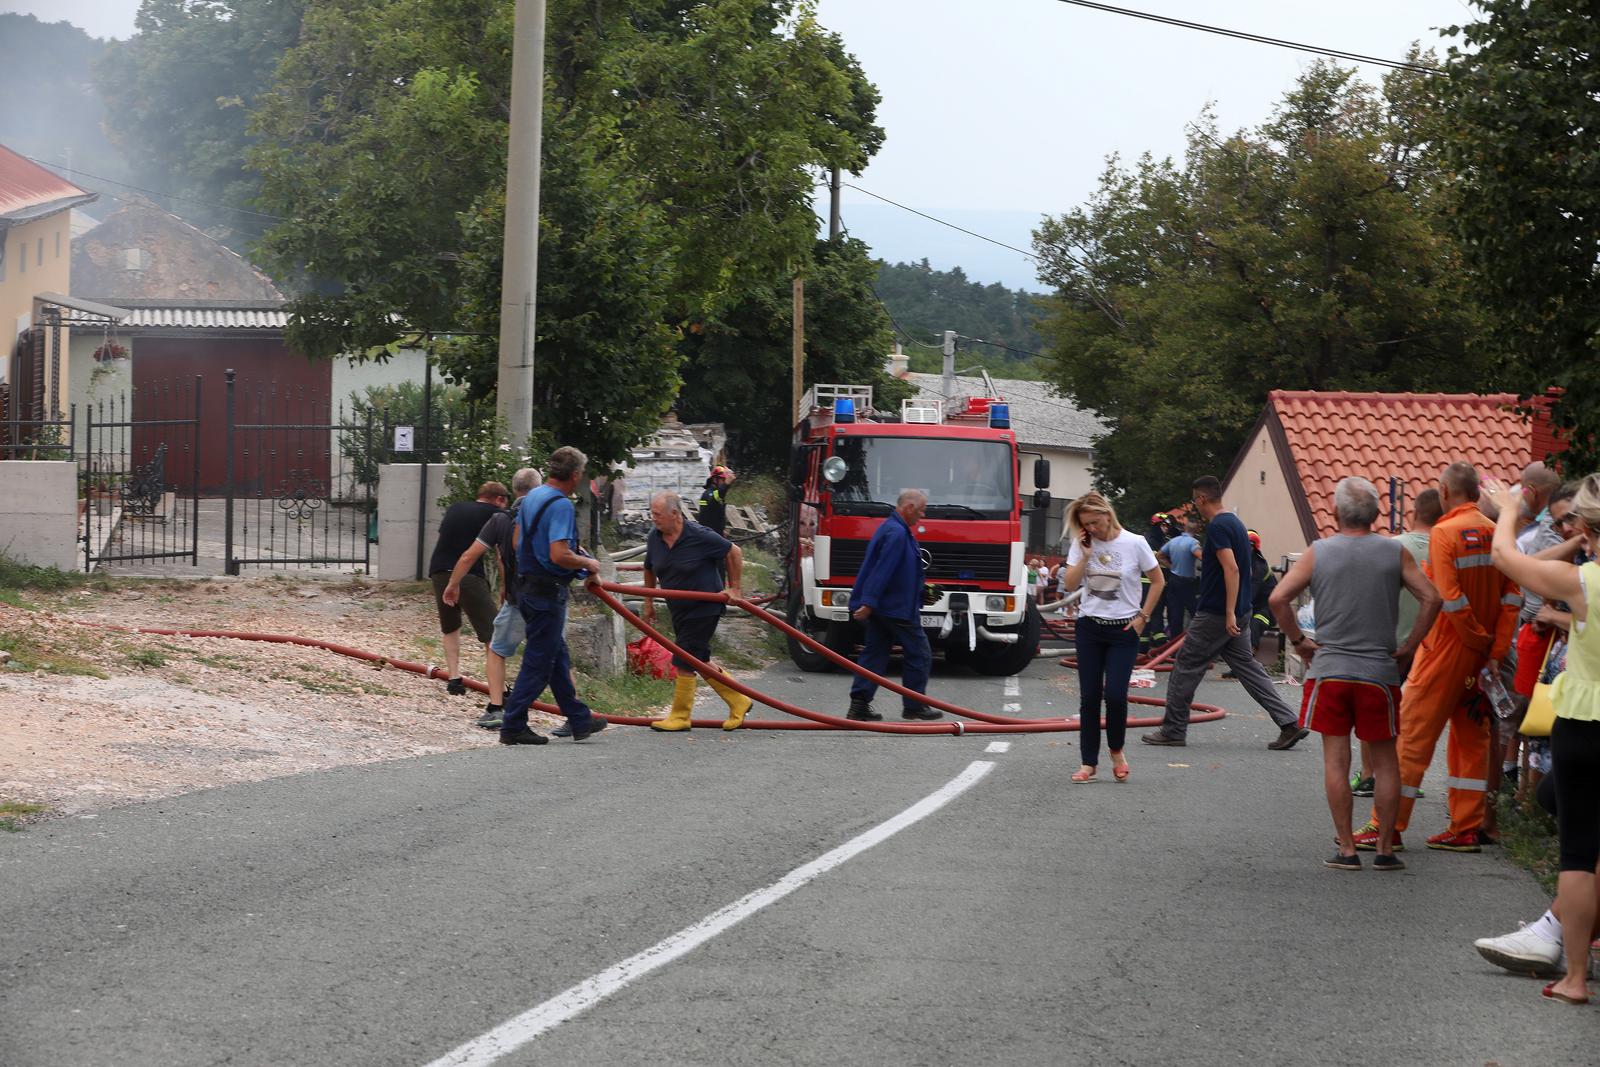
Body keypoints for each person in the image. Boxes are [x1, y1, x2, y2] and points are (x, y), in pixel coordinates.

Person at [1269, 477, 1442, 871]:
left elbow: (1278, 598)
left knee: (1336, 761)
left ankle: (1347, 849)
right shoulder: (1392, 552)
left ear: (1335, 513)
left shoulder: (1319, 552)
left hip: (1330, 670)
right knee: (1385, 762)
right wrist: (1410, 646)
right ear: (1378, 514)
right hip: (1379, 672)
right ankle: (1384, 850)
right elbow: (1433, 597)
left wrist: (1299, 642)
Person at [1352, 462, 1521, 853]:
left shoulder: (1445, 533)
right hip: (1481, 660)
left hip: (1447, 650)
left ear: (1445, 491)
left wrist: (1476, 641)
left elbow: (1448, 598)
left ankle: (1387, 827)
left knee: (1411, 735)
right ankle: (1466, 827)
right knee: (1471, 737)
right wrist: (1493, 650)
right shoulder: (1497, 533)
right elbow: (1513, 598)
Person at [1481, 473, 1600, 1004]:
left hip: (1585, 721)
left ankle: (1574, 977)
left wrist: (1509, 507)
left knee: (1578, 854)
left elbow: (1506, 558)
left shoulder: (1585, 582)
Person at [1143, 476, 1308, 749]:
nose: (1195, 505)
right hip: (1238, 611)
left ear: (1201, 499)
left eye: (1195, 500)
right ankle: (1289, 722)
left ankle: (1173, 729)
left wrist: (1229, 612)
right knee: (1248, 668)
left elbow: (1231, 568)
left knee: (1185, 665)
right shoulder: (1235, 523)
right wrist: (1237, 611)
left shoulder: (1219, 526)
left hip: (1217, 613)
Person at [499, 446, 609, 746]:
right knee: (538, 662)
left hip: (526, 586)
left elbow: (518, 539)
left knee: (556, 656)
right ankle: (512, 724)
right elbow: (559, 553)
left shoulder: (532, 496)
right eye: (582, 474)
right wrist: (588, 564)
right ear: (575, 475)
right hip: (547, 592)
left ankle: (578, 718)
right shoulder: (560, 505)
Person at [1060, 492, 1164, 783]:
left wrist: (1143, 617)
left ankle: (1116, 751)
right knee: (1089, 697)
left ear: (1108, 514)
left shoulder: (1135, 543)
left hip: (1124, 630)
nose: (1092, 528)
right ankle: (1088, 763)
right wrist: (1085, 555)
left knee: (1116, 696)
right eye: (1086, 524)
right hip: (1090, 628)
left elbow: (1158, 581)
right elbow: (1069, 584)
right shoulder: (1082, 544)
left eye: (1095, 521)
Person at [641, 490, 754, 732]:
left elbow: (734, 552)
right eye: (652, 514)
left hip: (705, 606)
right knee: (699, 659)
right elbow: (649, 567)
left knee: (684, 659)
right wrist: (648, 602)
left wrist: (734, 589)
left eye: (658, 514)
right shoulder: (655, 537)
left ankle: (680, 717)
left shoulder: (699, 535)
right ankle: (739, 700)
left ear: (675, 514)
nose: (654, 518)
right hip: (678, 608)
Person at [442, 468, 540, 730]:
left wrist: (451, 584)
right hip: (539, 593)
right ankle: (570, 711)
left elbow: (459, 548)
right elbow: (500, 554)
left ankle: (472, 690)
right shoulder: (514, 515)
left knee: (464, 632)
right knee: (501, 639)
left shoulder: (468, 511)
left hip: (443, 570)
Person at [846, 488, 942, 722]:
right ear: (908, 508)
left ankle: (859, 704)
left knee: (875, 653)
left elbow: (899, 571)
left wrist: (921, 593)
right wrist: (869, 602)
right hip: (895, 608)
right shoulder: (898, 533)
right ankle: (914, 704)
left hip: (887, 606)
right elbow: (883, 570)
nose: (923, 516)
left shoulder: (893, 529)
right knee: (919, 653)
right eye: (921, 511)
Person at [427, 482, 509, 697]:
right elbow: (502, 555)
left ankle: (454, 678)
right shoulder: (496, 514)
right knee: (492, 631)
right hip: (467, 573)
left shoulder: (455, 507)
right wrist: (505, 585)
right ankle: (499, 688)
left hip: (439, 570)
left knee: (450, 625)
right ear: (500, 499)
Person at [1158, 516, 1201, 639]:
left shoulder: (1173, 541)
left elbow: (1159, 555)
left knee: (1175, 614)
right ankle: (1199, 643)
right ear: (1196, 530)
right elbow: (1200, 556)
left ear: (1185, 528)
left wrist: (1171, 566)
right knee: (1196, 613)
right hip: (1187, 583)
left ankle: (1174, 648)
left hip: (1173, 580)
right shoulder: (1193, 543)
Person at [697, 465, 736, 537]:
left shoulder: (716, 493)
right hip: (708, 536)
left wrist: (721, 530)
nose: (724, 482)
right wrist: (726, 484)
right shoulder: (709, 493)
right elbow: (714, 500)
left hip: (715, 534)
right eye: (723, 480)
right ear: (715, 479)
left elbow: (716, 514)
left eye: (725, 480)